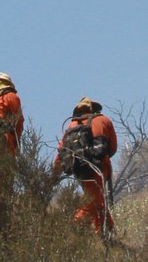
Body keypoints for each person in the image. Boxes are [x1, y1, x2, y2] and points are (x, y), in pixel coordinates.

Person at [54, 97, 118, 236]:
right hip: (99, 167)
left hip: (79, 170)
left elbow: (61, 153)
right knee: (94, 201)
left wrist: (53, 175)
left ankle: (106, 234)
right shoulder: (103, 120)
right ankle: (71, 230)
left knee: (97, 200)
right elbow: (112, 148)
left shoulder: (71, 126)